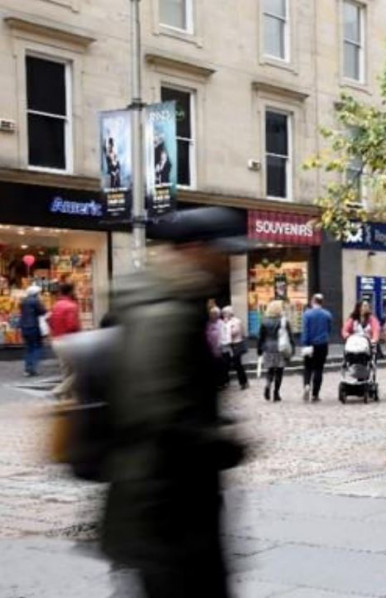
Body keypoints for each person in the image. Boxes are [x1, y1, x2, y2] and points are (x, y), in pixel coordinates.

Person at [101, 207, 246, 597]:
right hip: (169, 509)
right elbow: (160, 413)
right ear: (196, 249)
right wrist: (225, 444)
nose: (231, 263)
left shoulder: (166, 302)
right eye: (225, 253)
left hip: (163, 504)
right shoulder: (167, 313)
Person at [258, 300, 294, 402]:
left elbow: (261, 337)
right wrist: (292, 349)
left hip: (268, 348)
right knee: (279, 371)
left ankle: (268, 384)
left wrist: (259, 349)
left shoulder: (264, 321)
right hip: (280, 348)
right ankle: (276, 393)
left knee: (269, 370)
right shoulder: (284, 321)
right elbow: (289, 336)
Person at [301, 294, 334, 402]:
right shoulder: (327, 315)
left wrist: (305, 343)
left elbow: (305, 331)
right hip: (322, 344)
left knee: (308, 367)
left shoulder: (307, 314)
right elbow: (329, 330)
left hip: (309, 344)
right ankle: (315, 394)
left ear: (313, 301)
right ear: (321, 302)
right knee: (319, 369)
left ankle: (306, 385)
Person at [20, 285, 47, 377]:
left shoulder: (23, 301)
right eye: (39, 293)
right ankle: (33, 368)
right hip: (33, 326)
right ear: (36, 294)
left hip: (24, 327)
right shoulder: (35, 301)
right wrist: (42, 302)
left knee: (28, 348)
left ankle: (27, 368)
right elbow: (43, 311)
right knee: (36, 347)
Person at [221, 306, 249, 391]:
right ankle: (225, 382)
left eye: (225, 313)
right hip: (226, 345)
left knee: (237, 364)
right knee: (225, 364)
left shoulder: (236, 321)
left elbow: (237, 332)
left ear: (229, 313)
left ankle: (243, 382)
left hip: (236, 344)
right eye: (223, 313)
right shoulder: (223, 322)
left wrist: (227, 326)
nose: (224, 315)